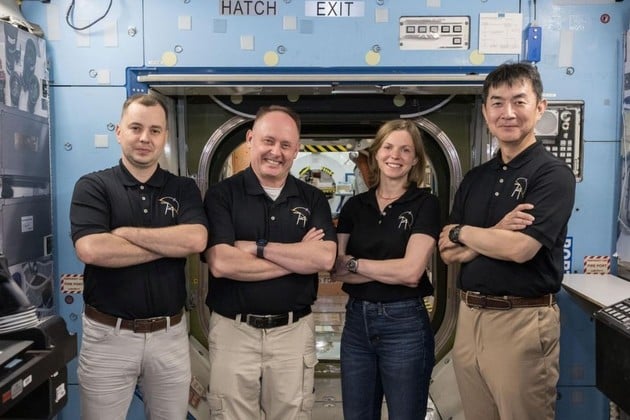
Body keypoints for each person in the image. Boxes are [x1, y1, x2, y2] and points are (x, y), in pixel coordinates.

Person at [439, 62, 576, 420]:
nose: (508, 113)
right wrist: (496, 230)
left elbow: (521, 249)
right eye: (497, 103)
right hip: (469, 319)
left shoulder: (552, 175)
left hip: (522, 321)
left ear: (540, 107)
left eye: (519, 101)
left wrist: (463, 232)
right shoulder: (475, 179)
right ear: (485, 112)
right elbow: (447, 251)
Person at [70, 93, 208, 420]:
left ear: (165, 137)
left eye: (155, 130)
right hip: (108, 337)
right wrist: (168, 243)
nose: (145, 138)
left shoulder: (183, 189)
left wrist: (124, 234)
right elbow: (91, 249)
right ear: (119, 132)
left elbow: (196, 239)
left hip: (170, 336)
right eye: (136, 128)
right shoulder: (93, 186)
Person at [203, 105, 337, 419]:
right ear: (251, 139)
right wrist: (297, 257)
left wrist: (256, 248)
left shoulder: (312, 198)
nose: (276, 152)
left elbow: (325, 257)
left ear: (297, 150)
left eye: (286, 145)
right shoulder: (222, 195)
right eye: (268, 141)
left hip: (293, 332)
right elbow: (222, 264)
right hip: (233, 331)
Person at [333, 119, 439, 420]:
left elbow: (411, 272)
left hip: (405, 324)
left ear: (415, 160)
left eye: (406, 150)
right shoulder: (354, 207)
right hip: (356, 323)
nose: (396, 155)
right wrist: (388, 269)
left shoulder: (425, 204)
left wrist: (356, 263)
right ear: (377, 153)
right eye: (389, 147)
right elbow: (337, 269)